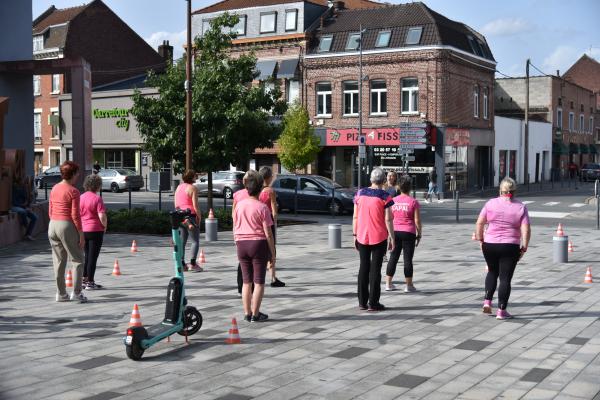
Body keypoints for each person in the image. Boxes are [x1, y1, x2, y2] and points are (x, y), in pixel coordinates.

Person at [475, 177, 531, 320]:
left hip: (490, 244)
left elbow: (480, 223)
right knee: (505, 278)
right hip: (510, 246)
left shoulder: (490, 203)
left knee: (492, 271)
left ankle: (487, 301)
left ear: (500, 190)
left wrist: (481, 239)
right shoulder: (520, 206)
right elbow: (526, 229)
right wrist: (524, 247)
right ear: (514, 191)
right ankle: (501, 311)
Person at [233, 170, 276, 322]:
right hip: (258, 244)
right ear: (260, 190)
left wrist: (236, 241)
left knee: (246, 282)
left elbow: (235, 225)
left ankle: (247, 313)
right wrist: (273, 253)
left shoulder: (239, 205)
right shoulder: (262, 208)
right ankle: (256, 314)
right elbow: (268, 233)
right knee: (259, 282)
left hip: (241, 244)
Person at [353, 167, 395, 312]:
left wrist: (354, 234)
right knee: (375, 270)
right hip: (379, 236)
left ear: (371, 179)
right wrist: (392, 238)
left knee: (363, 267)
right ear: (383, 180)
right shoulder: (385, 196)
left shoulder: (360, 193)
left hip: (362, 235)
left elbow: (355, 216)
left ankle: (362, 302)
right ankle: (373, 302)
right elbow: (388, 219)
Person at [48, 161, 87, 303]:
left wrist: (54, 221)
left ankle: (61, 294)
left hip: (52, 225)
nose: (78, 175)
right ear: (73, 174)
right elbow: (75, 215)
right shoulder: (73, 191)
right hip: (66, 225)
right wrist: (81, 234)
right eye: (77, 173)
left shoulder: (54, 188)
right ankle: (76, 293)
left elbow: (50, 209)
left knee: (58, 261)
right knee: (77, 260)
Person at [385, 175, 422, 292]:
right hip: (409, 233)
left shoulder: (393, 201)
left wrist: (389, 235)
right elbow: (417, 220)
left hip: (395, 232)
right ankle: (409, 285)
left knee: (393, 257)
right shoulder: (413, 202)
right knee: (407, 259)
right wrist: (419, 233)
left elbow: (389, 218)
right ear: (410, 187)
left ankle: (388, 283)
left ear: (399, 187)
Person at [258, 166, 285, 288]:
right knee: (272, 250)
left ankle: (258, 277)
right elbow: (274, 211)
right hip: (268, 223)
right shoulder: (270, 191)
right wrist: (275, 222)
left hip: (257, 223)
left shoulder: (256, 190)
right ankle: (273, 277)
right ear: (268, 177)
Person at [80, 174, 108, 290]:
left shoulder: (80, 197)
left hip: (83, 230)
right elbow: (102, 216)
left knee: (87, 256)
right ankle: (90, 282)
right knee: (93, 257)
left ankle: (84, 279)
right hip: (95, 230)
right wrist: (105, 226)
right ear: (97, 185)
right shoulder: (97, 198)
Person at [174, 170, 202, 272]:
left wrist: (179, 214)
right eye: (195, 176)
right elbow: (195, 205)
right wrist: (199, 216)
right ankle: (193, 264)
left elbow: (176, 204)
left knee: (182, 241)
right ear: (192, 177)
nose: (196, 177)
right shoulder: (193, 188)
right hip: (190, 216)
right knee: (195, 241)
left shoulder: (178, 187)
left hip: (180, 216)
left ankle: (182, 264)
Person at [11, 176, 38, 241]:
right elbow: (14, 202)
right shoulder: (14, 188)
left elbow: (26, 199)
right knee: (23, 212)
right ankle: (26, 226)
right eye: (22, 180)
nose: (24, 182)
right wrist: (23, 206)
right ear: (19, 181)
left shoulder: (23, 188)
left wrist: (27, 206)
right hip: (15, 206)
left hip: (23, 207)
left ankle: (28, 234)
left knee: (35, 217)